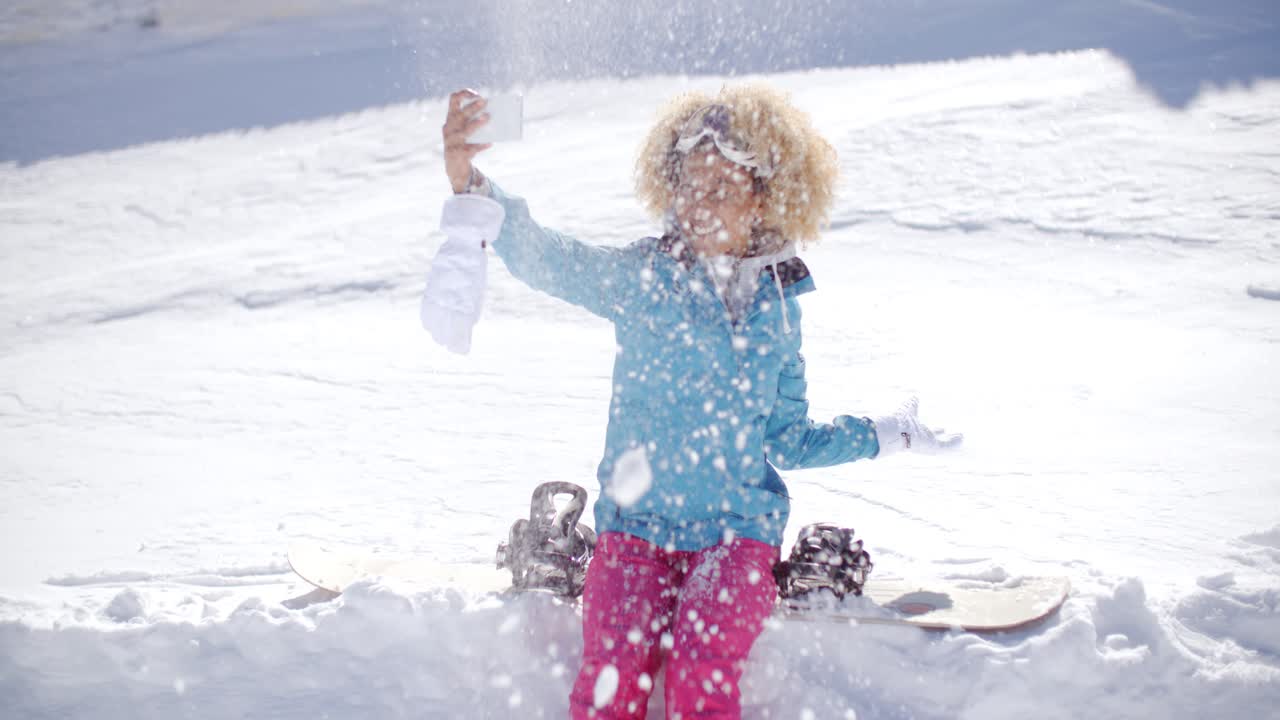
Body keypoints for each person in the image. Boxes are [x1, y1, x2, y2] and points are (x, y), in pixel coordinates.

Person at [436, 84, 961, 720]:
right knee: (609, 681)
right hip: (633, 531)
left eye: (722, 188)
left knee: (700, 676)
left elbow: (789, 440)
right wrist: (474, 185)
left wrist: (884, 434)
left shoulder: (778, 310)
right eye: (688, 186)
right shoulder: (640, 278)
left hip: (736, 536)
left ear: (764, 199)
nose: (699, 204)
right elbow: (549, 259)